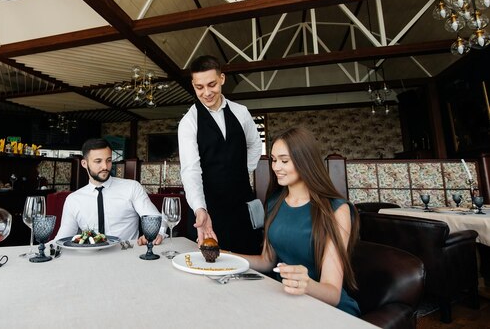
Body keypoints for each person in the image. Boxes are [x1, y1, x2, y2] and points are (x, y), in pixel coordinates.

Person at [237, 126, 360, 316]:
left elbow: (333, 293)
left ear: (305, 161)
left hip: (327, 309)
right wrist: (224, 255)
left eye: (284, 161)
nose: (276, 167)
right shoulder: (273, 203)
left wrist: (307, 284)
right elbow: (267, 261)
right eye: (274, 160)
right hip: (284, 301)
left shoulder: (337, 210)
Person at [178, 55, 263, 254]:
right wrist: (200, 209)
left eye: (212, 84)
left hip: (241, 205)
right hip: (208, 210)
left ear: (222, 79)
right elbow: (190, 170)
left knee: (247, 259)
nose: (206, 92)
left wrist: (240, 171)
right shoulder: (189, 122)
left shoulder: (241, 112)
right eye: (199, 87)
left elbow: (255, 145)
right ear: (193, 85)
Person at [53, 138, 164, 246]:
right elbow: (63, 238)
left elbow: (155, 218)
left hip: (126, 255)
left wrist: (157, 233)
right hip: (89, 258)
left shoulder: (131, 187)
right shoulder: (74, 199)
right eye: (98, 161)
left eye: (109, 160)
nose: (105, 166)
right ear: (84, 163)